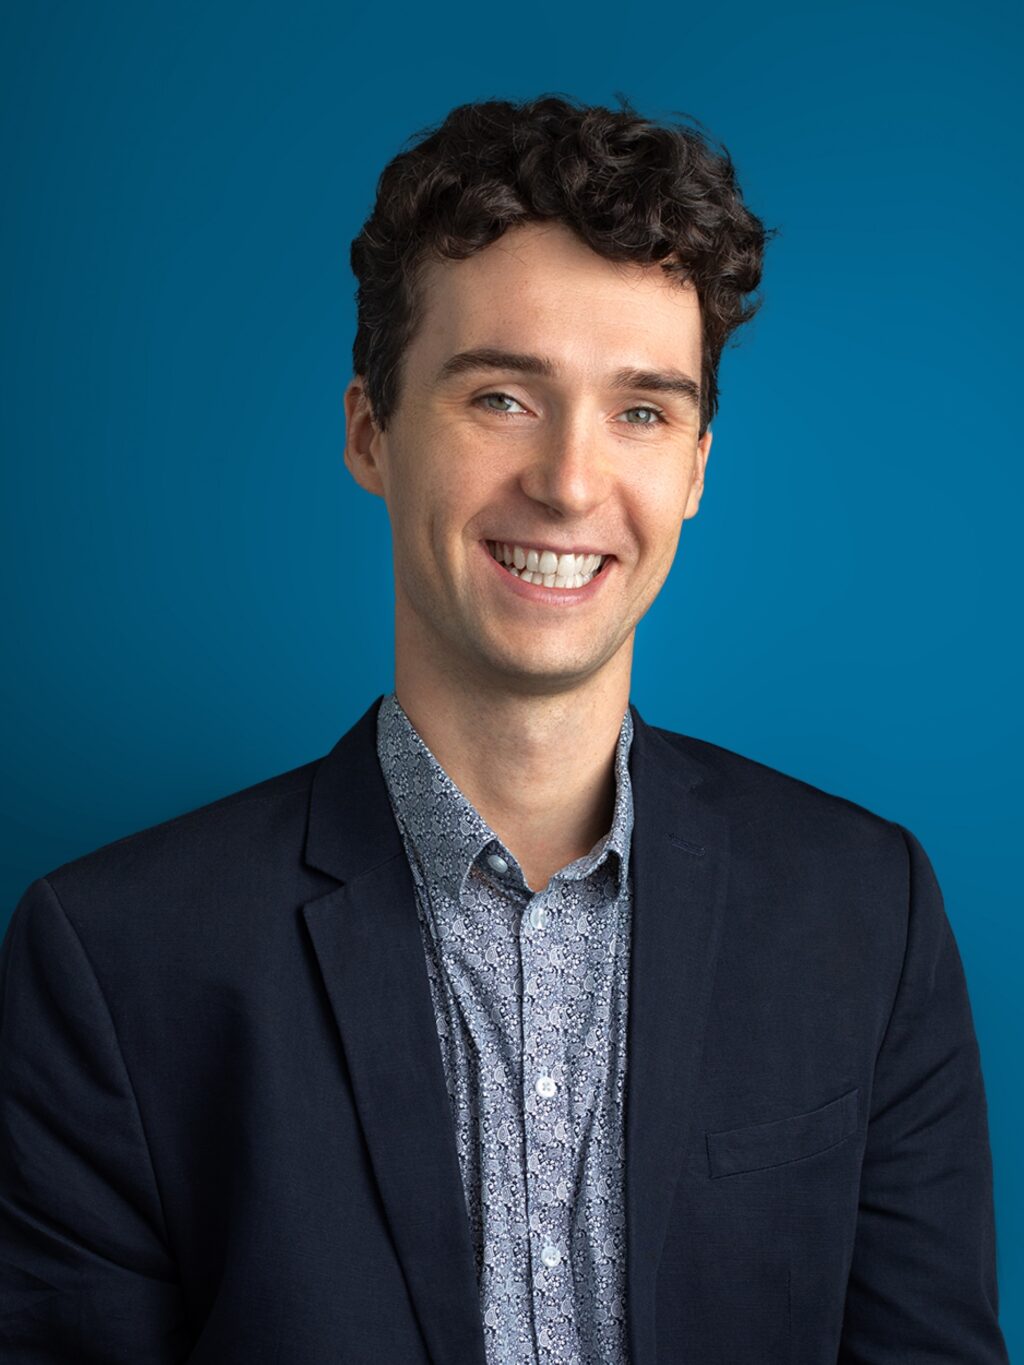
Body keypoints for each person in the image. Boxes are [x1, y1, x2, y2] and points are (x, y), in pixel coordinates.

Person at [0, 93, 1009, 1365]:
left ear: (696, 466)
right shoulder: (111, 960)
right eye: (501, 398)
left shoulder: (869, 916)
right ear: (373, 432)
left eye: (641, 410)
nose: (572, 482)